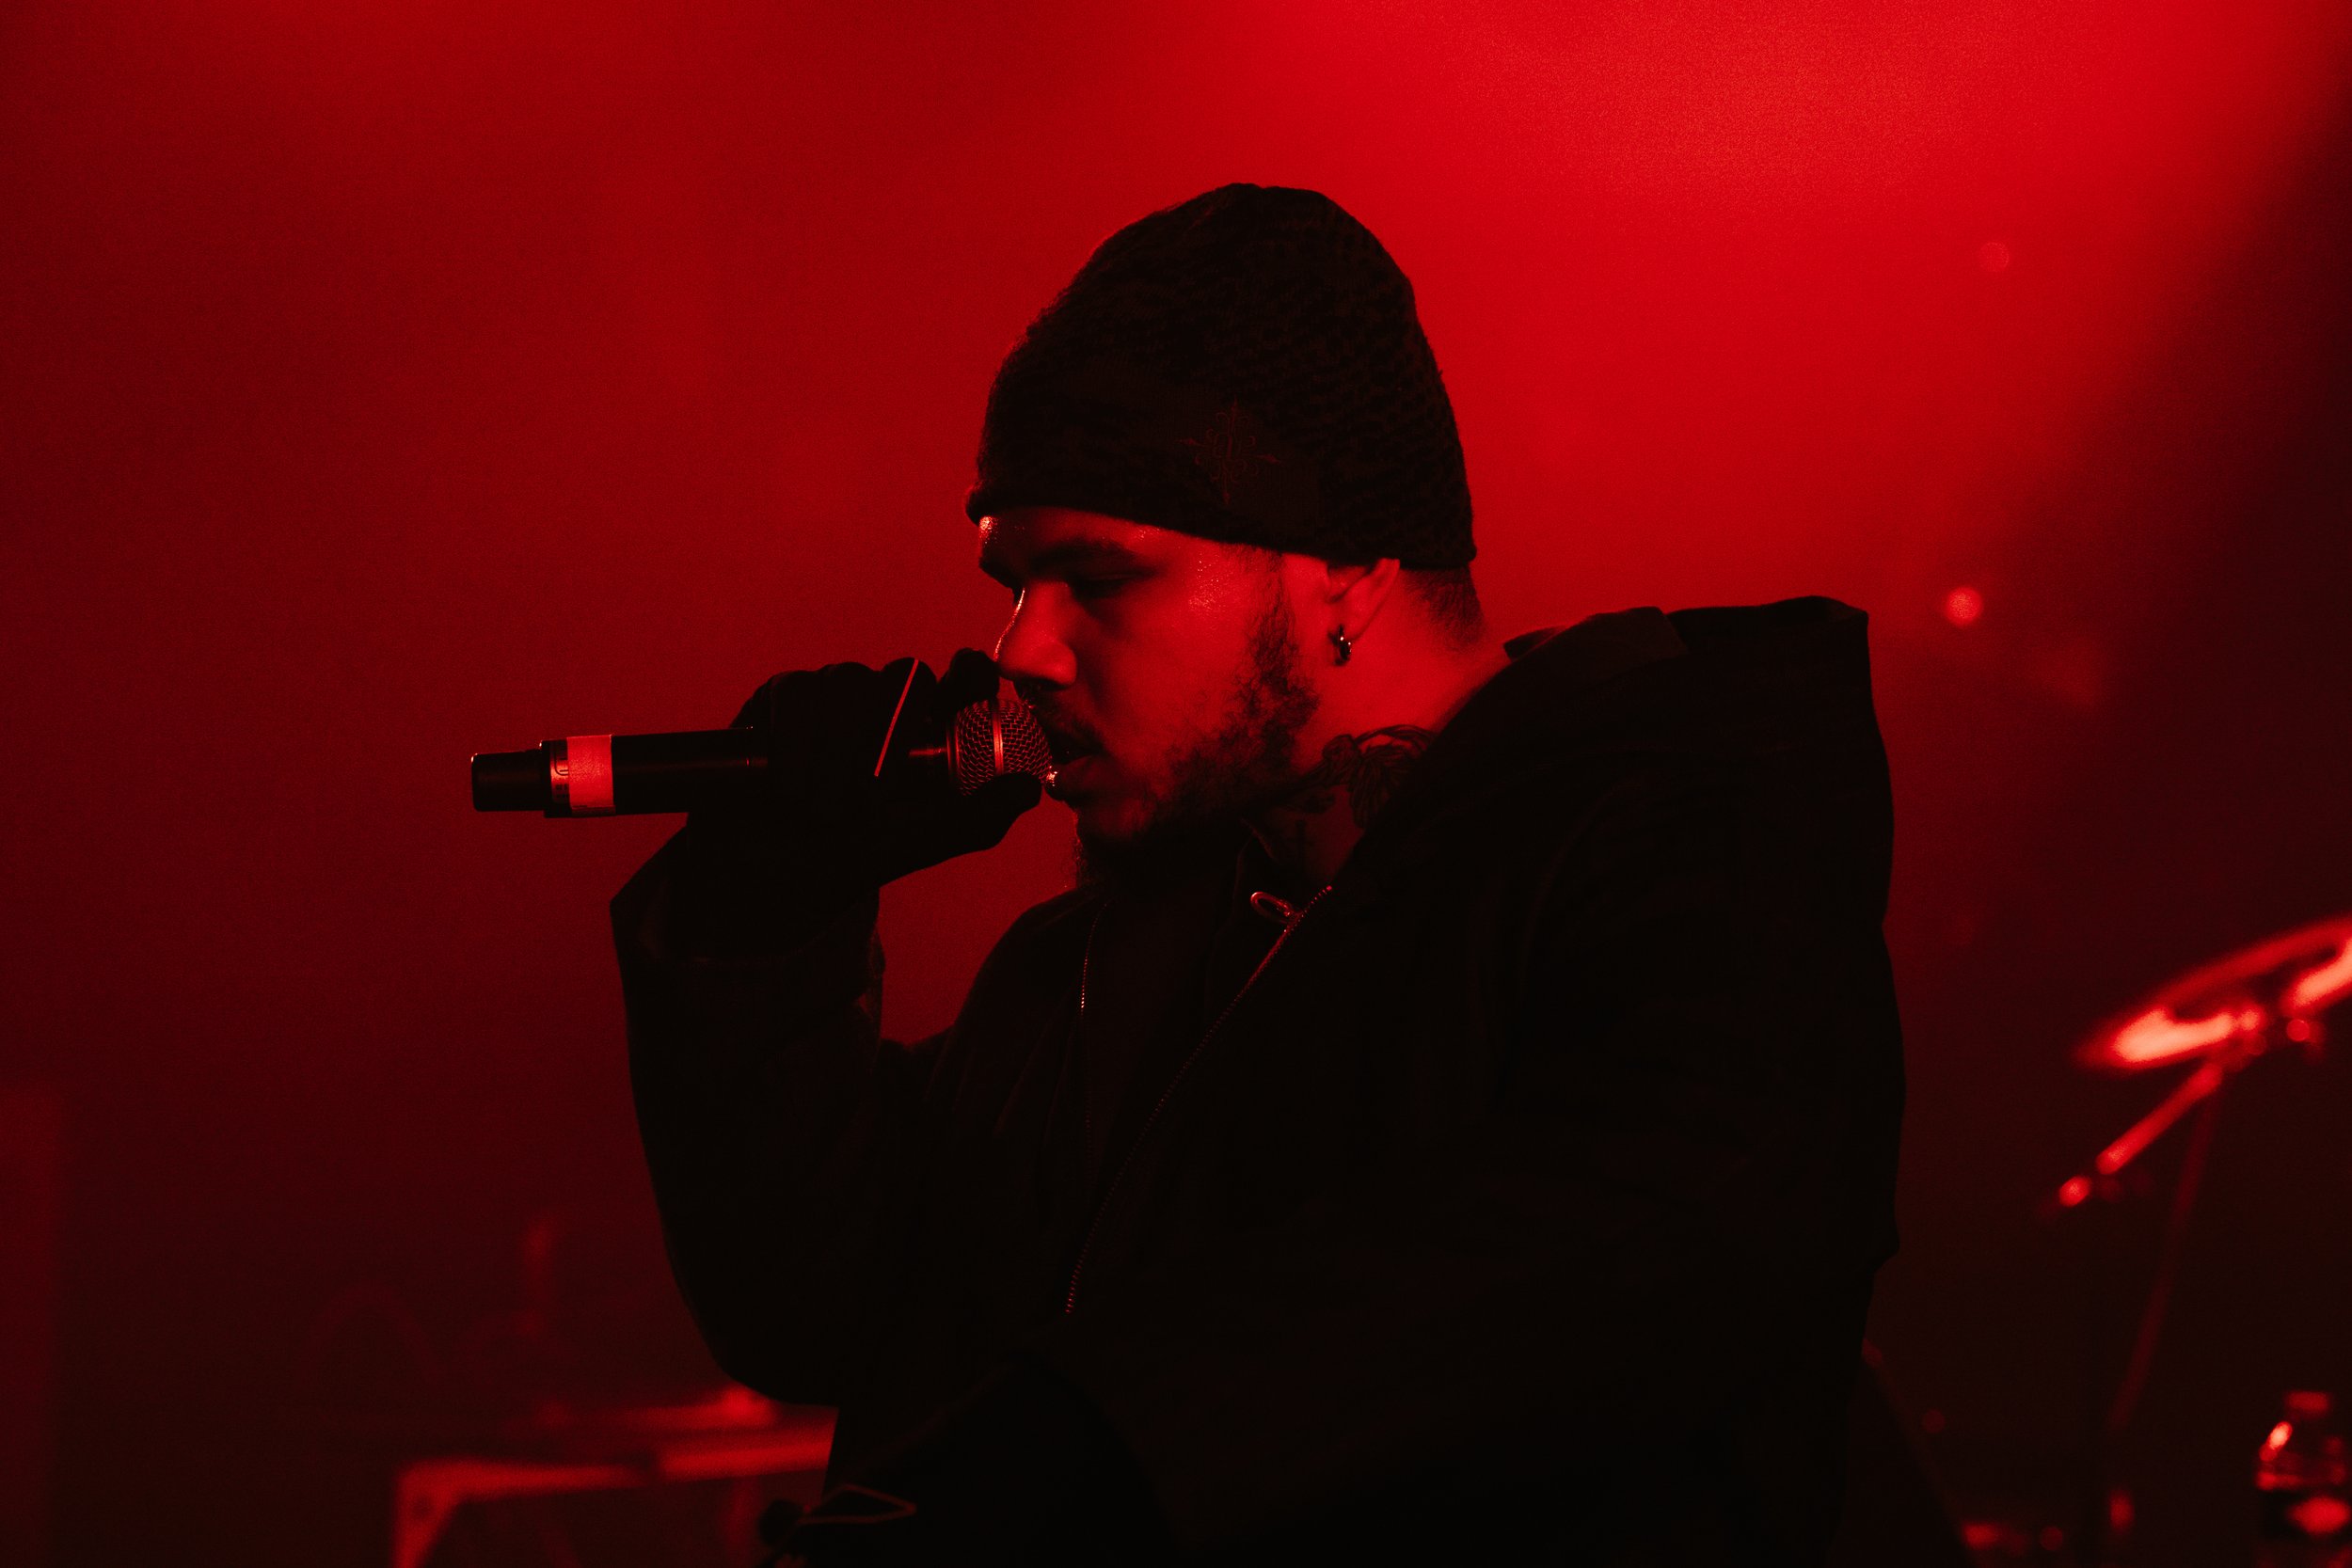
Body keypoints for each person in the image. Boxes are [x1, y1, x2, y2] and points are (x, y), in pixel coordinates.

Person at [612, 183, 1903, 1565]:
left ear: (1343, 563)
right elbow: (818, 1307)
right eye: (1013, 582)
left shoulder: (1682, 857)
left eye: (1098, 577)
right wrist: (766, 913)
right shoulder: (1095, 967)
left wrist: (1087, 1450)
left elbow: (1632, 1250)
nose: (1020, 650)